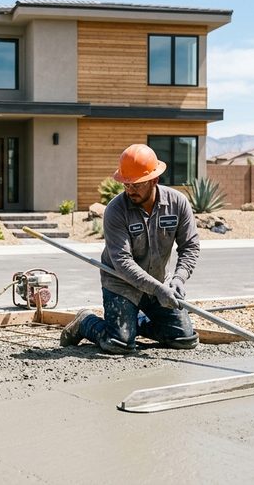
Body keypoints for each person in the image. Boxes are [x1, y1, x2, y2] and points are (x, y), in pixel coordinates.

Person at [60, 144, 200, 354]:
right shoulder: (116, 210)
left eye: (137, 184)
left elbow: (190, 246)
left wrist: (178, 278)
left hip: (159, 282)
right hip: (121, 283)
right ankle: (86, 322)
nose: (130, 190)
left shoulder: (177, 203)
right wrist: (158, 289)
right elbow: (123, 262)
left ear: (154, 180)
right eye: (126, 184)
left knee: (184, 339)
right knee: (119, 344)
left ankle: (131, 325)